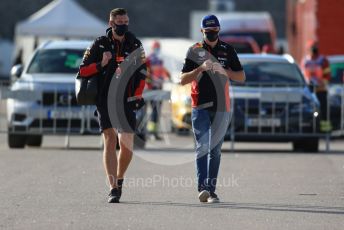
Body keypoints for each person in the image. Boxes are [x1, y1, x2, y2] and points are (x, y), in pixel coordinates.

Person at [79, 8, 146, 203]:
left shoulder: (135, 44)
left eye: (126, 21)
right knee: (109, 139)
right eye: (119, 22)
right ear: (111, 23)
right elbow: (83, 70)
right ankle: (113, 188)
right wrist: (101, 63)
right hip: (104, 99)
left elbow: (143, 73)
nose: (123, 25)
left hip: (126, 100)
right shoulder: (99, 44)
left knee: (127, 145)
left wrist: (137, 96)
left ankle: (120, 178)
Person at [180, 15, 245, 203]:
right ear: (202, 32)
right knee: (202, 147)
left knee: (215, 150)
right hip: (199, 105)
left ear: (219, 30)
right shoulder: (194, 51)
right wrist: (200, 68)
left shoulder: (227, 50)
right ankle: (203, 189)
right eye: (208, 32)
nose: (211, 35)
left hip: (221, 106)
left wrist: (225, 72)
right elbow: (182, 79)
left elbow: (241, 77)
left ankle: (212, 190)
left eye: (214, 31)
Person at [302, 41, 332, 132]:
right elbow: (303, 75)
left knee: (323, 110)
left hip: (321, 90)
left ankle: (325, 129)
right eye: (311, 48)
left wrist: (322, 83)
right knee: (311, 110)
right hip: (309, 91)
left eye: (314, 48)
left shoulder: (323, 60)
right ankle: (311, 128)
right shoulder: (306, 61)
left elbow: (327, 75)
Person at [146, 40, 170, 140]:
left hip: (159, 87)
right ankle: (151, 132)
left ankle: (153, 132)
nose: (157, 49)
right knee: (154, 111)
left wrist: (168, 76)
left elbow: (163, 71)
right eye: (156, 47)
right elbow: (147, 74)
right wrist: (152, 81)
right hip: (152, 87)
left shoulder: (159, 60)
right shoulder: (149, 59)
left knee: (157, 110)